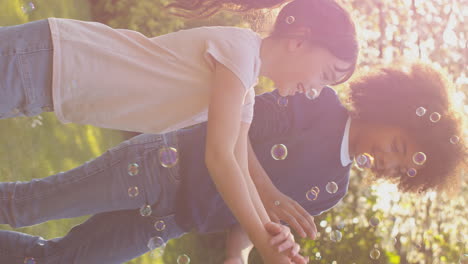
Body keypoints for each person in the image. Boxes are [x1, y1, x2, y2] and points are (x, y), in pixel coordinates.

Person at [1, 62, 465, 263]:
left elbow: (255, 222)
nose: (388, 163)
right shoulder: (317, 104)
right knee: (26, 205)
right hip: (160, 169)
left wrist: (240, 250)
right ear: (391, 109)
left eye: (402, 169)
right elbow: (234, 127)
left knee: (58, 261)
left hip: (169, 222)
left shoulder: (334, 189)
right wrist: (271, 196)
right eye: (399, 148)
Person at [0, 1, 358, 261]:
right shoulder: (240, 54)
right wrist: (261, 242)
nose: (315, 89)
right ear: (300, 40)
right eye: (326, 76)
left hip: (53, 77)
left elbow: (240, 164)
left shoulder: (245, 90)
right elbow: (219, 158)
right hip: (50, 57)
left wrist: (270, 232)